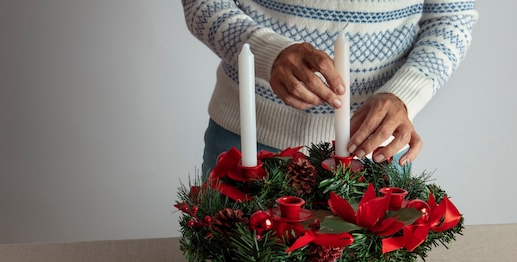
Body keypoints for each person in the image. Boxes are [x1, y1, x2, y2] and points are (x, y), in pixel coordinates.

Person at [181, 1, 478, 175]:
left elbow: (452, 18)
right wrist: (268, 52)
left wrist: (403, 95)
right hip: (248, 141)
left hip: (375, 148)